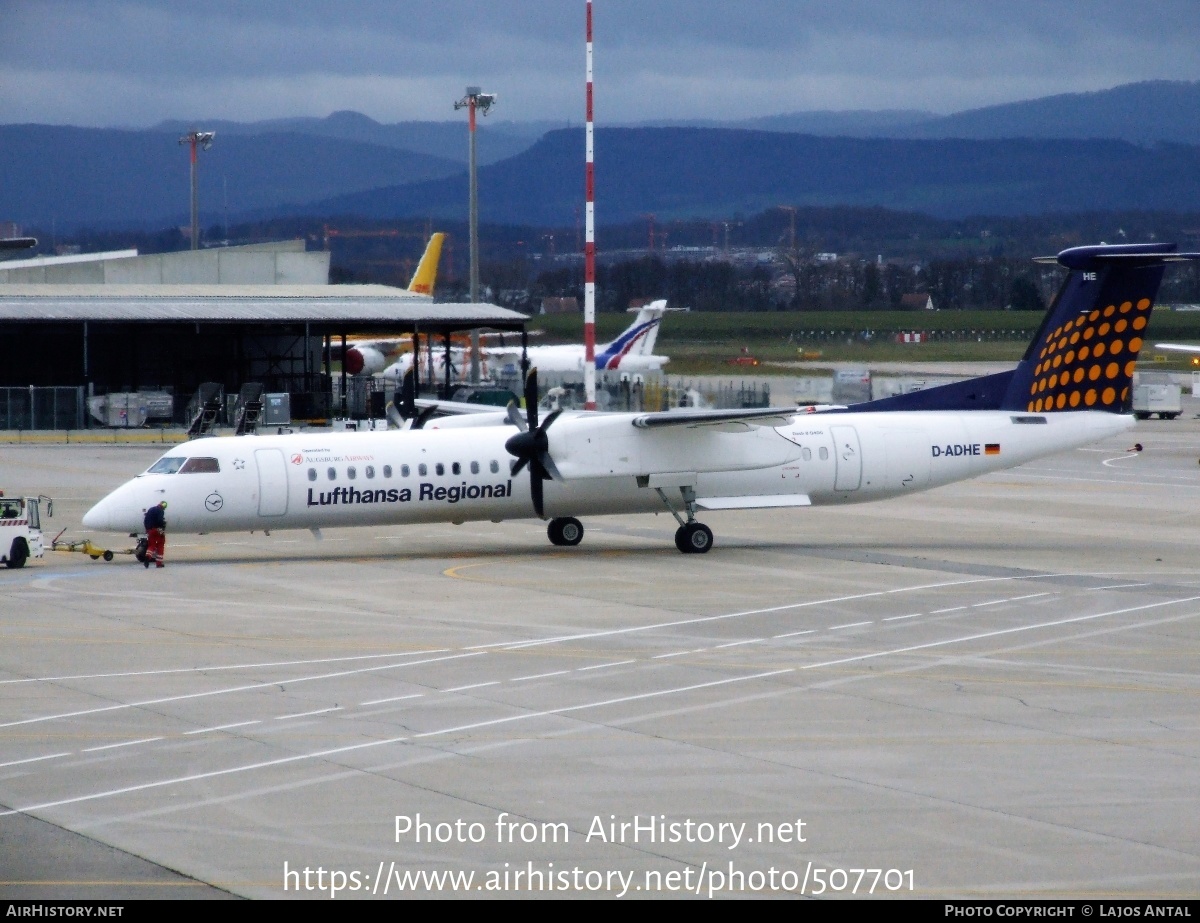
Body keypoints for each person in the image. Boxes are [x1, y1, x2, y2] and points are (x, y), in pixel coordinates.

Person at [143, 500, 167, 569]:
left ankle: (147, 557)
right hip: (157, 530)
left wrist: (148, 529)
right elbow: (159, 521)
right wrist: (162, 526)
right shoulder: (160, 511)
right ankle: (159, 563)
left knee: (151, 545)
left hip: (150, 530)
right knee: (160, 545)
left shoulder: (151, 509)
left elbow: (146, 520)